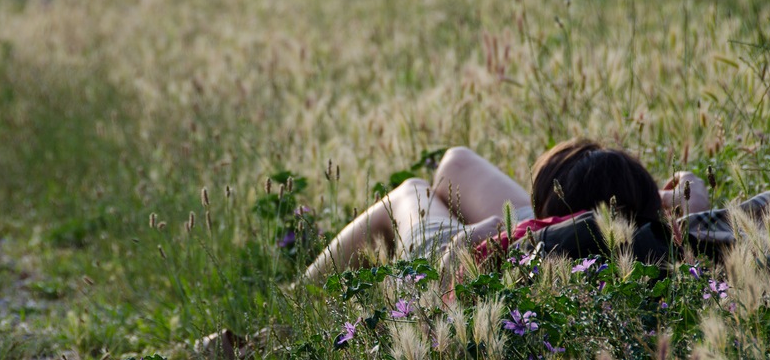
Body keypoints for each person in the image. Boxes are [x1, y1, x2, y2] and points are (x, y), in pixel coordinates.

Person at [302, 138, 713, 282]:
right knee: (456, 162)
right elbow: (694, 209)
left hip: (474, 245)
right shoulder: (671, 240)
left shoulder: (522, 239)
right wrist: (670, 199)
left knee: (414, 191)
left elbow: (449, 274)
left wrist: (473, 235)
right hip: (552, 231)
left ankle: (293, 306)